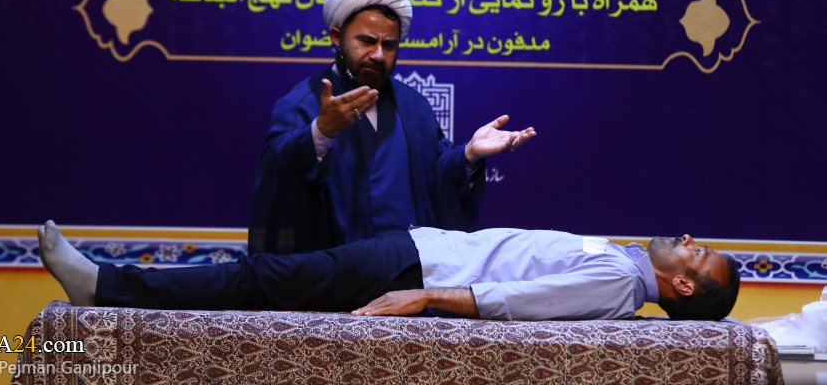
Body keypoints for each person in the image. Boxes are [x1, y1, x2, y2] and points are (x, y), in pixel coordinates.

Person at [250, 0, 536, 254]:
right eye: (366, 41)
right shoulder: (302, 104)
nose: (378, 55)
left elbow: (435, 178)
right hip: (337, 275)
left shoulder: (413, 105)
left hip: (408, 271)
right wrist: (319, 133)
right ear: (337, 37)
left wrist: (468, 155)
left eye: (389, 45)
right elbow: (275, 181)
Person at [38, 220, 740, 322]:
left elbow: (515, 299)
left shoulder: (618, 283)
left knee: (258, 279)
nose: (687, 241)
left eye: (696, 254)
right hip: (418, 250)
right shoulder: (622, 268)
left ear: (683, 285)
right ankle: (109, 287)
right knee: (263, 279)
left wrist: (423, 296)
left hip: (415, 267)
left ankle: (104, 287)